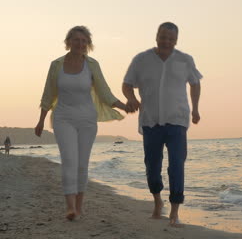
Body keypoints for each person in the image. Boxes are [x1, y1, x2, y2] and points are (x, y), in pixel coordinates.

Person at [35, 26, 126, 221]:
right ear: (69, 42)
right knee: (69, 160)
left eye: (84, 40)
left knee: (82, 164)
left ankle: (79, 206)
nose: (81, 44)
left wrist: (123, 106)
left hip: (87, 120)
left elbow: (104, 91)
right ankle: (70, 207)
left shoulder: (92, 64)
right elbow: (48, 94)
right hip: (63, 118)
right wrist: (41, 120)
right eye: (76, 40)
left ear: (88, 44)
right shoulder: (57, 65)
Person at [123, 22, 202, 227]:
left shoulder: (185, 60)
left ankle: (175, 210)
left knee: (176, 164)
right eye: (163, 37)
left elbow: (195, 83)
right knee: (152, 165)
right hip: (150, 121)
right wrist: (131, 98)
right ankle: (158, 202)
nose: (166, 41)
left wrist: (195, 109)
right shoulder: (141, 60)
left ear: (176, 40)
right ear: (157, 36)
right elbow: (127, 84)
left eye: (171, 38)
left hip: (177, 120)